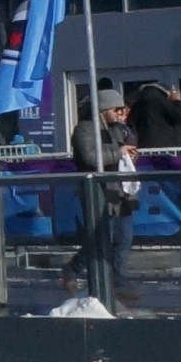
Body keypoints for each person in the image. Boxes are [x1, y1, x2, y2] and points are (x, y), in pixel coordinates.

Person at [71, 86, 138, 304]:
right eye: (117, 109)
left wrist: (130, 155)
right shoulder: (84, 130)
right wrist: (119, 152)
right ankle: (74, 270)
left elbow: (125, 150)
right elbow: (90, 156)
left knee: (124, 238)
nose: (121, 113)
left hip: (120, 190)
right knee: (101, 237)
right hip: (97, 191)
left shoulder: (117, 129)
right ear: (103, 109)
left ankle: (118, 280)